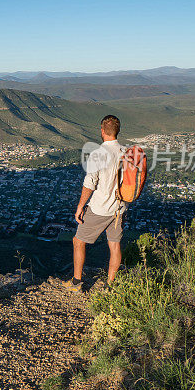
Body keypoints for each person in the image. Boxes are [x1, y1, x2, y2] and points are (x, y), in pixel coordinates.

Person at [63, 115, 125, 293]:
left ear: (102, 131)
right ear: (117, 131)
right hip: (120, 208)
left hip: (100, 208)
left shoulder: (98, 154)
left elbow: (89, 184)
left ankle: (76, 282)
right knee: (114, 245)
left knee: (78, 241)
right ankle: (111, 285)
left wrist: (80, 206)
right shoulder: (126, 152)